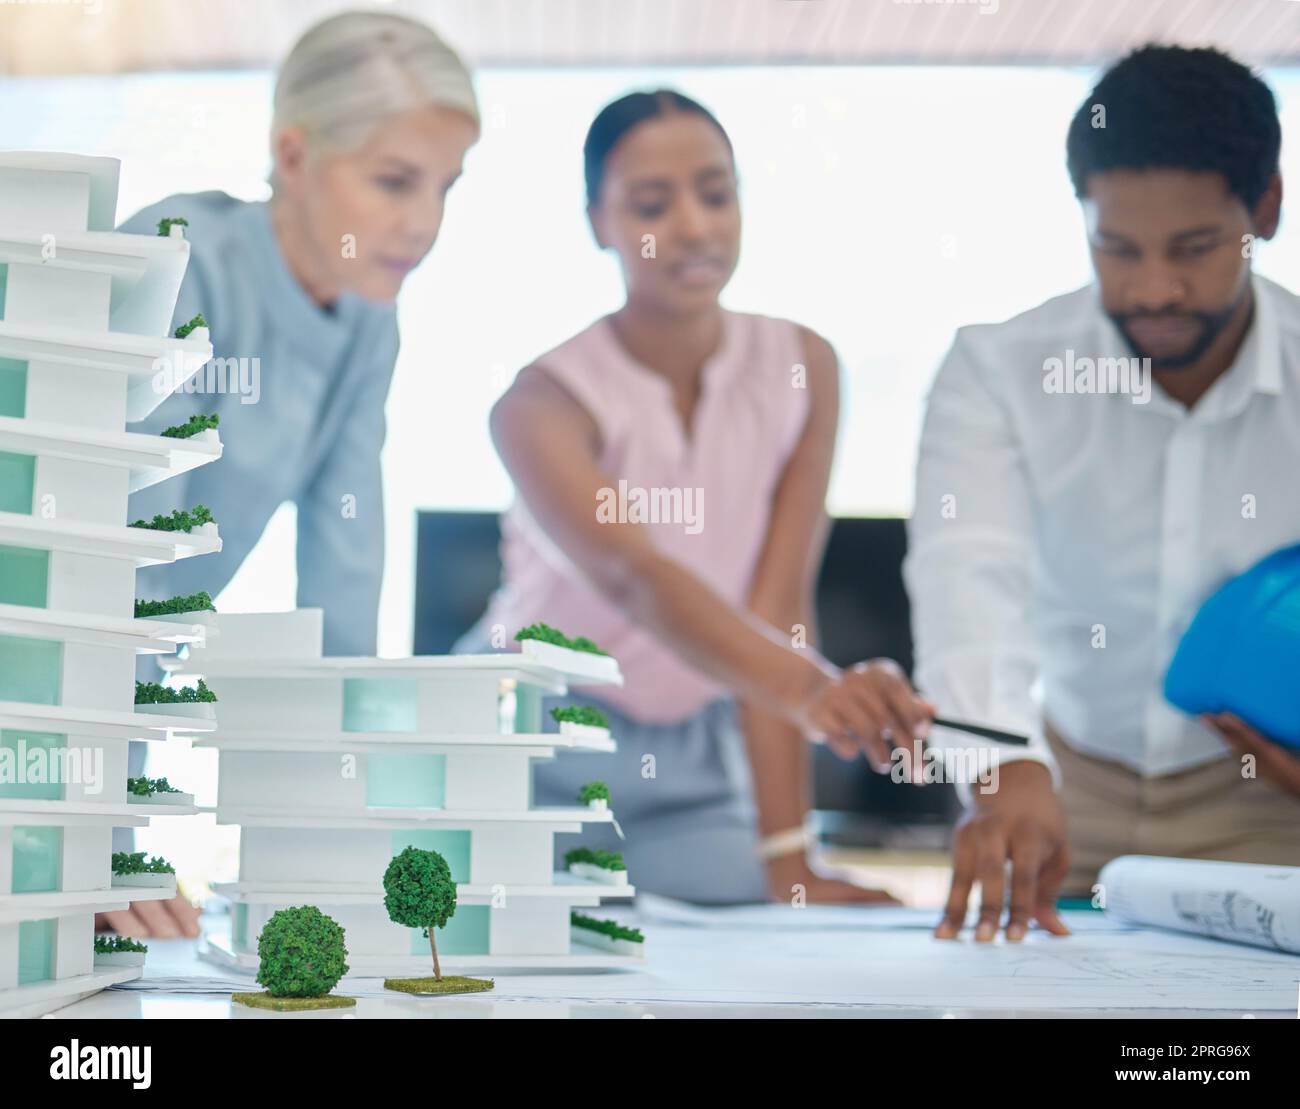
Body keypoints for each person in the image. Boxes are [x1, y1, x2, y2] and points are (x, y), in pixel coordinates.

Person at [461, 90, 933, 904]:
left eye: (716, 194)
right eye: (652, 203)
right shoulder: (538, 406)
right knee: (509, 937)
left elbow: (779, 606)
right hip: (526, 742)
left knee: (772, 920)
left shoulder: (803, 367)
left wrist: (792, 859)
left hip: (692, 761)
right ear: (597, 221)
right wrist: (821, 690)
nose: (693, 226)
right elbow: (633, 579)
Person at [905, 45, 1300, 943]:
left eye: (1194, 249)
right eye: (1116, 248)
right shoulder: (996, 371)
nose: (1153, 288)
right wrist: (1002, 765)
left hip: (1274, 802)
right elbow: (969, 576)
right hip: (1058, 788)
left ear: (1265, 209)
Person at [101, 11, 479, 938]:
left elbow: (346, 571)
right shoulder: (181, 258)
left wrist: (347, 832)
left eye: (446, 188)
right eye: (395, 182)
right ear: (294, 153)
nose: (424, 224)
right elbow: (115, 568)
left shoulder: (365, 321)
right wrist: (91, 831)